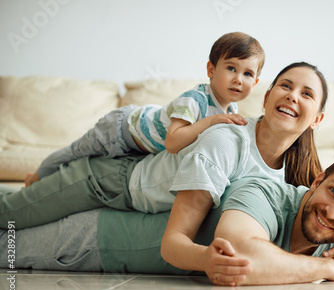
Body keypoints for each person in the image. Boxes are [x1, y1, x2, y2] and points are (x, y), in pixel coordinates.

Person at [0, 61, 327, 285]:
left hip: (135, 203)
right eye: (285, 85)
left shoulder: (283, 179)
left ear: (317, 120)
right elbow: (175, 240)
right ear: (267, 97)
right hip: (107, 179)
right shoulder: (227, 138)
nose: (292, 95)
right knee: (13, 214)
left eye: (307, 94)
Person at [0, 152, 334, 286]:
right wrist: (330, 269)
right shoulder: (266, 192)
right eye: (332, 191)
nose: (332, 212)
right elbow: (247, 259)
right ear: (316, 182)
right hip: (92, 239)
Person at [24, 31, 264, 186]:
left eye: (247, 74)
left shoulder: (230, 109)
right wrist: (211, 122)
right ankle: (35, 177)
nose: (238, 79)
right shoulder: (195, 99)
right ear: (211, 70)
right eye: (231, 68)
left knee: (80, 171)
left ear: (254, 83)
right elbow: (173, 142)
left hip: (138, 149)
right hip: (120, 128)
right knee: (75, 153)